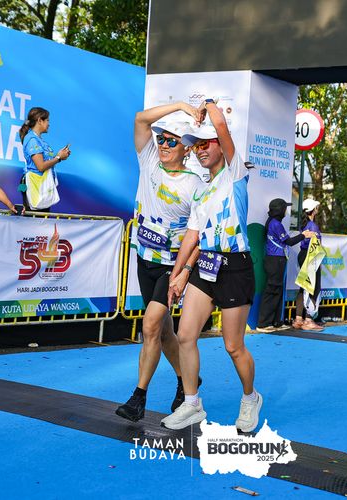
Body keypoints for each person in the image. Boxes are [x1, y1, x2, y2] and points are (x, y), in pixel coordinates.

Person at [162, 98, 260, 432]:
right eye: (197, 146)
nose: (200, 150)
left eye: (206, 143)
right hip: (206, 265)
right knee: (185, 335)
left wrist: (206, 104)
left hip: (235, 267)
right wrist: (177, 276)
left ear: (220, 145)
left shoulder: (236, 174)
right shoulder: (201, 191)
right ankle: (192, 404)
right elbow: (192, 237)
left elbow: (220, 125)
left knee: (233, 346)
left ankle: (250, 398)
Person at [115, 102, 204, 423]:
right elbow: (140, 119)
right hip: (144, 259)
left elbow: (199, 236)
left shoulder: (195, 184)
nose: (163, 145)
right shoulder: (149, 160)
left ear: (186, 149)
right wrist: (180, 105)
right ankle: (186, 380)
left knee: (150, 325)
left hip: (171, 267)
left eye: (171, 141)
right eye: (161, 139)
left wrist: (185, 272)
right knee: (165, 334)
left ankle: (138, 398)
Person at [256, 198, 315, 333]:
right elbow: (289, 241)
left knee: (277, 291)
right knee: (272, 291)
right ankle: (263, 323)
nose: (286, 211)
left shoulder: (272, 222)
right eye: (285, 208)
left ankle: (276, 322)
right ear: (280, 210)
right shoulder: (276, 224)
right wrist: (304, 235)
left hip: (277, 260)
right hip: (275, 260)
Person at [18, 107, 71, 212]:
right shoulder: (32, 140)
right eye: (47, 120)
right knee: (35, 219)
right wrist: (58, 158)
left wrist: (60, 155)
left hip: (43, 186)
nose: (49, 124)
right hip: (36, 185)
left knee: (43, 218)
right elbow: (41, 166)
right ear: (39, 120)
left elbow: (46, 162)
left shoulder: (40, 140)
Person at [292, 199, 324, 331]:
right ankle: (309, 320)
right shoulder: (313, 226)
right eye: (316, 207)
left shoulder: (304, 224)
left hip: (303, 254)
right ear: (314, 210)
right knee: (313, 287)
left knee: (303, 286)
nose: (318, 209)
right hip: (311, 256)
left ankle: (299, 319)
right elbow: (316, 244)